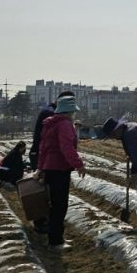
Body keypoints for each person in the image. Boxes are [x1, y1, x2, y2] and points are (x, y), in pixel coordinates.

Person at [37, 95, 86, 250]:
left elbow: (43, 148)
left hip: (49, 168)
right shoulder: (64, 124)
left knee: (53, 205)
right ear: (69, 111)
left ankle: (55, 236)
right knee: (60, 205)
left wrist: (41, 168)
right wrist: (79, 164)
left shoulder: (49, 124)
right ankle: (56, 241)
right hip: (59, 169)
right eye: (73, 111)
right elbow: (67, 147)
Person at [29, 90, 75, 171]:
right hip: (46, 159)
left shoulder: (49, 110)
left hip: (42, 156)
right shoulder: (52, 114)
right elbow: (61, 142)